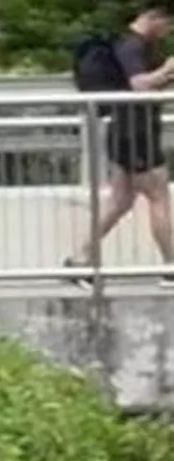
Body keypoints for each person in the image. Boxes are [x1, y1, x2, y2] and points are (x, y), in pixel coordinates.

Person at [68, 3, 174, 286]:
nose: (167, 32)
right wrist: (166, 69)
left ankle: (79, 260)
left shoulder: (133, 45)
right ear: (154, 17)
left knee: (120, 201)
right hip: (135, 132)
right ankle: (170, 267)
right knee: (159, 195)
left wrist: (164, 77)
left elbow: (139, 86)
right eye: (167, 25)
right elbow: (138, 85)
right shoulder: (131, 47)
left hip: (128, 129)